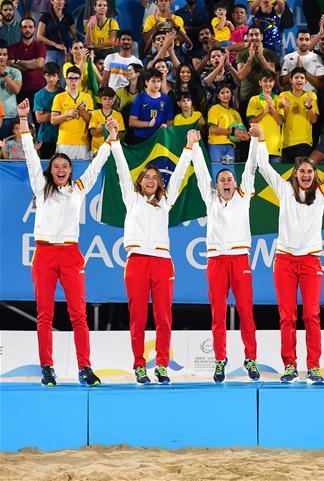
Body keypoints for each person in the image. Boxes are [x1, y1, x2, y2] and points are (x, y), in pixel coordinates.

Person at [20, 99, 112, 387]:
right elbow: (30, 157)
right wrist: (24, 120)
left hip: (71, 255)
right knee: (44, 314)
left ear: (71, 171)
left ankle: (85, 368)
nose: (60, 169)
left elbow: (96, 167)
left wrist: (109, 140)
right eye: (56, 165)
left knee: (78, 314)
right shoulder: (41, 187)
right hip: (45, 254)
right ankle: (47, 367)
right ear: (51, 171)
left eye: (65, 166)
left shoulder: (78, 190)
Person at [257, 128, 324, 385]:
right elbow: (264, 167)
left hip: (311, 261)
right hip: (285, 261)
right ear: (294, 174)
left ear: (315, 175)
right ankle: (290, 365)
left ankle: (313, 367)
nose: (305, 174)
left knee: (311, 315)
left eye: (310, 171)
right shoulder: (284, 191)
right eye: (301, 171)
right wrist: (260, 138)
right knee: (287, 315)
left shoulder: (322, 194)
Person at [113, 125, 199, 385]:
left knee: (163, 317)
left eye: (155, 177)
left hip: (162, 262)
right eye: (146, 176)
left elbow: (181, 173)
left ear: (159, 182)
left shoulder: (166, 201)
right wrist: (115, 140)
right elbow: (120, 167)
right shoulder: (131, 196)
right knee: (137, 317)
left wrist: (189, 147)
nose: (151, 180)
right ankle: (140, 365)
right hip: (137, 261)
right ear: (140, 180)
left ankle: (161, 365)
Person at [191, 123, 261, 383]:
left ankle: (250, 358)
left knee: (246, 311)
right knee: (218, 314)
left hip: (239, 258)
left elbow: (251, 168)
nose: (226, 182)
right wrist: (196, 146)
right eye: (222, 180)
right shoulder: (210, 199)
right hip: (216, 260)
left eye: (230, 179)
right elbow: (200, 174)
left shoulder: (244, 196)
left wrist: (254, 141)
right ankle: (220, 360)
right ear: (217, 185)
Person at [49, 65, 91, 160]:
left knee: (82, 172)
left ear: (80, 80)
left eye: (76, 78)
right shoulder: (59, 97)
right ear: (66, 79)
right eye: (70, 78)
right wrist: (67, 114)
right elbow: (53, 120)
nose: (73, 81)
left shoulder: (87, 97)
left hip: (82, 142)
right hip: (64, 142)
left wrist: (82, 111)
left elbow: (91, 121)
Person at [279, 67, 319, 162]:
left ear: (305, 81)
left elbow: (314, 120)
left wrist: (309, 107)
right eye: (296, 77)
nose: (299, 80)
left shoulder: (311, 96)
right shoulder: (283, 95)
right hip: (285, 143)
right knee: (286, 175)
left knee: (299, 170)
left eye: (302, 78)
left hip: (304, 142)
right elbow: (281, 120)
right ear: (291, 80)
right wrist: (286, 107)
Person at [246, 70, 285, 162]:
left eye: (270, 81)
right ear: (260, 83)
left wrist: (271, 106)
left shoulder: (279, 99)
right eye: (265, 81)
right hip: (258, 145)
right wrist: (265, 112)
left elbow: (280, 121)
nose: (268, 84)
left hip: (274, 146)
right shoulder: (254, 100)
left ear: (274, 83)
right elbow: (251, 121)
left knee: (273, 176)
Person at [236, 26, 277, 106]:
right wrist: (250, 58)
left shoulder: (270, 53)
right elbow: (241, 76)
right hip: (246, 98)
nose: (254, 37)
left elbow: (272, 75)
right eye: (251, 35)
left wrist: (260, 57)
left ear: (261, 37)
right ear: (247, 37)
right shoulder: (241, 54)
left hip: (266, 98)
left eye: (256, 34)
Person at [129, 69, 174, 142]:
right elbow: (132, 122)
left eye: (158, 81)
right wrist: (148, 124)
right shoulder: (139, 98)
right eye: (153, 81)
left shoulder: (166, 99)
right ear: (146, 82)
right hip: (141, 137)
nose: (156, 84)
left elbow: (170, 121)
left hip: (160, 138)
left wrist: (165, 126)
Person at [206, 84, 246, 164]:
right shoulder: (214, 109)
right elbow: (213, 129)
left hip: (230, 147)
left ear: (231, 94)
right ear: (218, 96)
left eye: (228, 92)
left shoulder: (235, 113)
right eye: (222, 93)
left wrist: (244, 136)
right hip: (216, 145)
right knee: (217, 170)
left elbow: (242, 132)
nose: (225, 95)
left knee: (228, 170)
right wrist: (232, 132)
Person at [8, 17, 45, 103]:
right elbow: (11, 65)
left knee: (37, 117)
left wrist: (18, 61)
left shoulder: (40, 46)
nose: (27, 30)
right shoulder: (13, 47)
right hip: (19, 88)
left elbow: (39, 64)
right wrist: (32, 63)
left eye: (30, 27)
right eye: (24, 27)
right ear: (20, 29)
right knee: (19, 116)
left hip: (38, 88)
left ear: (34, 29)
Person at [36, 0, 75, 68]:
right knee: (50, 73)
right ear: (52, 1)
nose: (60, 2)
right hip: (50, 50)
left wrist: (71, 50)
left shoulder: (68, 16)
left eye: (62, 0)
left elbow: (75, 35)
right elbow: (39, 36)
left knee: (64, 76)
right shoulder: (46, 16)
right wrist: (55, 44)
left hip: (65, 52)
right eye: (58, 0)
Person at [32, 62, 59, 158]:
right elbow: (39, 119)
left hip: (61, 136)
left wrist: (47, 114)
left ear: (58, 77)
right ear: (44, 76)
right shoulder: (39, 95)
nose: (51, 79)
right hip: (45, 137)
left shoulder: (63, 93)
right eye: (48, 75)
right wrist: (57, 114)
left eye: (54, 75)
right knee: (46, 167)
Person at [88, 87, 125, 154]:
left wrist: (112, 131)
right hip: (96, 150)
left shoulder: (118, 115)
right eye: (105, 99)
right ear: (100, 100)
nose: (107, 101)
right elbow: (92, 133)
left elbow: (121, 135)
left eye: (110, 99)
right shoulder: (95, 113)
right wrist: (102, 128)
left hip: (112, 150)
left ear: (114, 99)